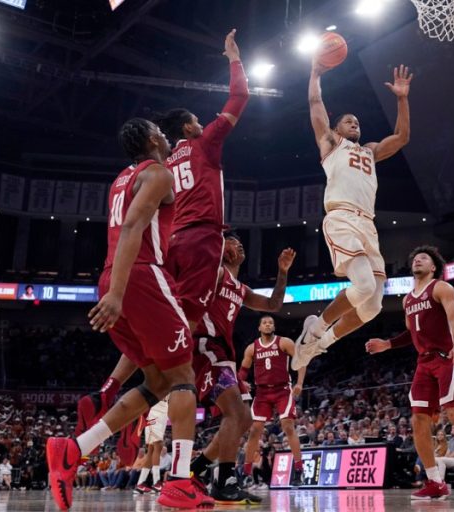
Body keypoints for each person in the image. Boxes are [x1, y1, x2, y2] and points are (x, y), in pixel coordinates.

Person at [76, 28, 250, 440]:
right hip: (200, 241)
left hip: (167, 243)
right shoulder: (202, 143)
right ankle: (173, 455)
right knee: (181, 343)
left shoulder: (157, 166)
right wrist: (234, 59)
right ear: (186, 128)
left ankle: (110, 391)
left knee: (158, 336)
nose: (198, 120)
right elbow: (240, 98)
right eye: (193, 118)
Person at [45, 118, 212, 510]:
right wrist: (120, 294)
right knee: (184, 375)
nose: (168, 136)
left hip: (112, 274)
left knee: (156, 379)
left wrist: (114, 289)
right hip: (140, 276)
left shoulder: (122, 178)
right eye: (161, 131)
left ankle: (73, 449)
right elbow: (136, 225)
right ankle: (179, 481)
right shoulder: (158, 173)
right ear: (153, 139)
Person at [291, 61, 413, 371]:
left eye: (357, 120)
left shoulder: (370, 150)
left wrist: (401, 98)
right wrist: (315, 73)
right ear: (336, 129)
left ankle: (320, 344)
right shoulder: (331, 143)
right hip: (342, 217)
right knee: (363, 286)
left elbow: (401, 138)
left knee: (372, 306)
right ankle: (316, 326)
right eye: (348, 120)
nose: (354, 122)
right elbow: (315, 103)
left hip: (367, 224)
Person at [366, 245, 454, 500]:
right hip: (424, 362)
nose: (417, 260)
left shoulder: (441, 288)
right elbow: (411, 333)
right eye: (414, 258)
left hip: (448, 356)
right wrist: (388, 344)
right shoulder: (407, 299)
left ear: (433, 266)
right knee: (418, 420)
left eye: (423, 258)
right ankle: (434, 481)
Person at [188, 235, 294, 504]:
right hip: (205, 347)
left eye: (238, 241)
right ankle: (224, 481)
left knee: (243, 419)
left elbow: (273, 305)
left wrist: (282, 273)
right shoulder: (215, 273)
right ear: (221, 250)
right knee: (237, 413)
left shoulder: (240, 288)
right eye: (231, 241)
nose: (239, 244)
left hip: (223, 353)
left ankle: (197, 470)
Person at [240, 316, 307, 489]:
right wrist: (241, 383)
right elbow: (243, 371)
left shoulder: (284, 342)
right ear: (259, 327)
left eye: (271, 322)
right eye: (265, 322)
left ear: (274, 326)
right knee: (255, 430)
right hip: (262, 391)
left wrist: (299, 384)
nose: (268, 324)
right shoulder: (251, 348)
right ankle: (246, 473)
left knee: (288, 426)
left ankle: (299, 470)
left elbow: (301, 361)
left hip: (282, 389)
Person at [134, 396, 168, 494]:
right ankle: (156, 483)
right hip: (157, 412)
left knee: (151, 451)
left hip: (155, 413)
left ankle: (140, 483)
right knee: (158, 446)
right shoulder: (165, 384)